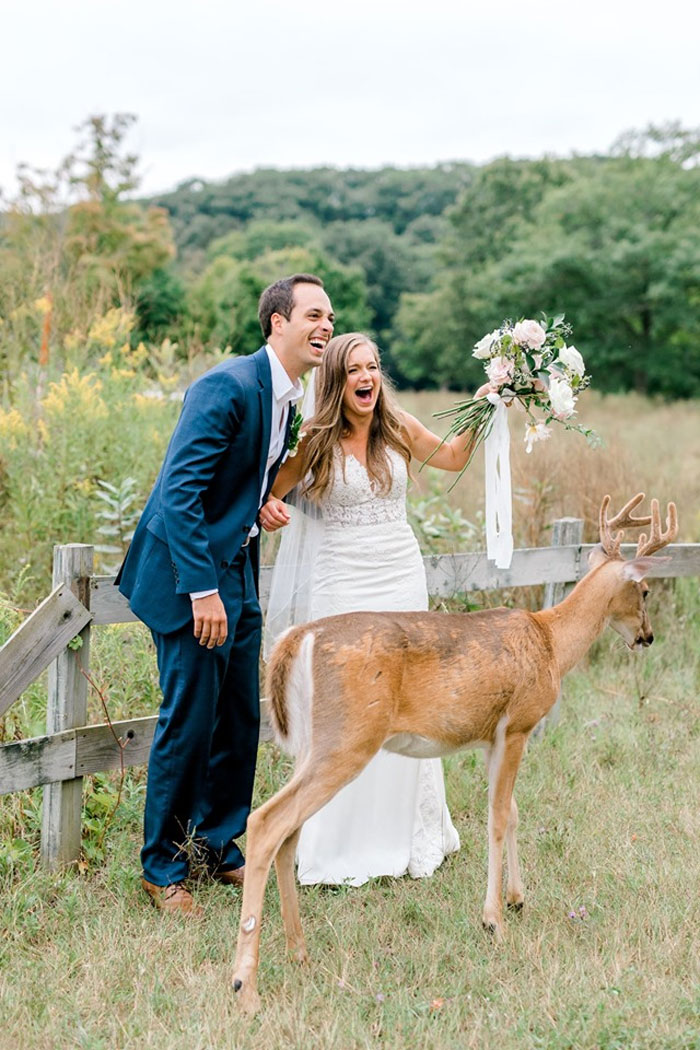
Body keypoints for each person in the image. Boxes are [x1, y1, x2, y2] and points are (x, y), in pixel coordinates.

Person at [116, 273, 335, 914]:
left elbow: (236, 482)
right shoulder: (228, 385)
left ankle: (218, 846)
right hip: (190, 580)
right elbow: (180, 493)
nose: (326, 326)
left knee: (240, 716)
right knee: (188, 719)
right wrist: (202, 590)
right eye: (314, 316)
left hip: (237, 571)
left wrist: (258, 507)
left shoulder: (286, 396)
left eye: (330, 318)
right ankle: (161, 868)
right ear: (277, 323)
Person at [260, 332, 480, 886]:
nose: (368, 378)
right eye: (355, 369)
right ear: (335, 380)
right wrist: (268, 509)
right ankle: (339, 841)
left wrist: (488, 403)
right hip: (343, 585)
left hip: (401, 580)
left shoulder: (398, 426)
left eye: (374, 367)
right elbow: (273, 490)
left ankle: (411, 832)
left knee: (410, 697)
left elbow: (452, 458)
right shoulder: (312, 440)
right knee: (350, 703)